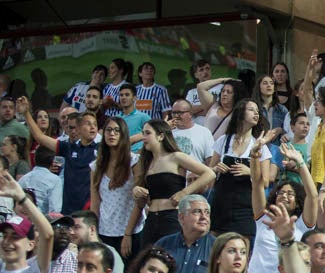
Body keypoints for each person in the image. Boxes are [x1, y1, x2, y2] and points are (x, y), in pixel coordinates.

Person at [247, 135, 316, 273]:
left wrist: (301, 164)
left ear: (298, 201)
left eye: (290, 194)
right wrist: (254, 157)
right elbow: (257, 183)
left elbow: (312, 196)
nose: (284, 196)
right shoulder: (263, 217)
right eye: (281, 192)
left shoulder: (303, 223)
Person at [131, 120, 215, 251]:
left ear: (161, 136)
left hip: (171, 216)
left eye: (148, 133)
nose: (144, 137)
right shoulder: (146, 162)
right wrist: (137, 190)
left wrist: (185, 192)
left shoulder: (176, 157)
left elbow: (209, 173)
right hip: (151, 217)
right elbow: (145, 197)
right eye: (143, 133)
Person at [20, 98, 98, 213]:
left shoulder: (101, 149)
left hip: (88, 208)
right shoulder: (67, 147)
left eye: (95, 125)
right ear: (80, 129)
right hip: (67, 208)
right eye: (88, 124)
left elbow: (123, 145)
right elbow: (40, 137)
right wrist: (26, 113)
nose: (92, 127)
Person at [209, 99, 271, 241]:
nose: (256, 113)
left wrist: (249, 171)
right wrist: (215, 168)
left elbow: (266, 182)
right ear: (240, 113)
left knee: (243, 244)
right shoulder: (223, 141)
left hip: (246, 205)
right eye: (251, 109)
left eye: (257, 111)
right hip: (221, 203)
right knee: (216, 245)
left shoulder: (260, 146)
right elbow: (209, 173)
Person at [156, 195, 216, 273]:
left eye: (207, 213)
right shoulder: (163, 245)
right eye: (197, 212)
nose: (204, 217)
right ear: (181, 217)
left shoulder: (217, 249)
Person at [90, 117, 143, 255]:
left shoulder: (134, 161)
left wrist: (128, 234)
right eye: (108, 130)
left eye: (116, 130)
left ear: (123, 134)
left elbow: (139, 201)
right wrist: (94, 233)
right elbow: (95, 203)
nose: (112, 134)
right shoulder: (96, 166)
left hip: (130, 230)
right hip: (104, 230)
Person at [19, 145, 62, 215]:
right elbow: (55, 209)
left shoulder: (23, 178)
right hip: (42, 220)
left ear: (34, 159)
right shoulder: (55, 180)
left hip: (23, 219)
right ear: (53, 162)